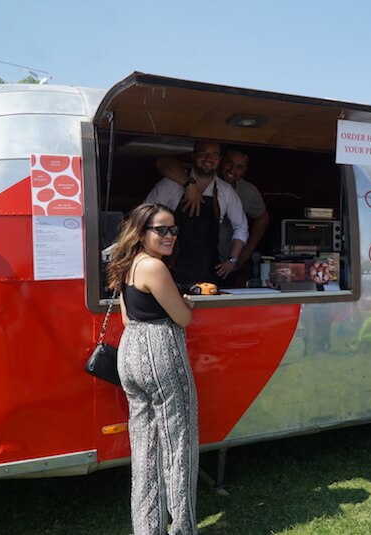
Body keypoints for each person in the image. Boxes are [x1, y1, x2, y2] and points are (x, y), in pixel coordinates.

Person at [105, 203, 198, 535]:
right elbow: (182, 318)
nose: (169, 235)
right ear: (142, 232)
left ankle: (147, 528)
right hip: (161, 353)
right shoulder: (155, 268)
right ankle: (182, 528)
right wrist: (185, 304)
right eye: (161, 229)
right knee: (179, 444)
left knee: (144, 447)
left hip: (130, 352)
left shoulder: (127, 264)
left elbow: (128, 317)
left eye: (173, 229)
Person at [157, 147, 269, 284]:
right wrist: (190, 185)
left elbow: (244, 226)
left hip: (212, 266)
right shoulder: (172, 184)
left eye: (239, 167)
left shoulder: (231, 191)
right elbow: (162, 162)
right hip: (173, 264)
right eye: (230, 163)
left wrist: (236, 259)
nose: (232, 170)